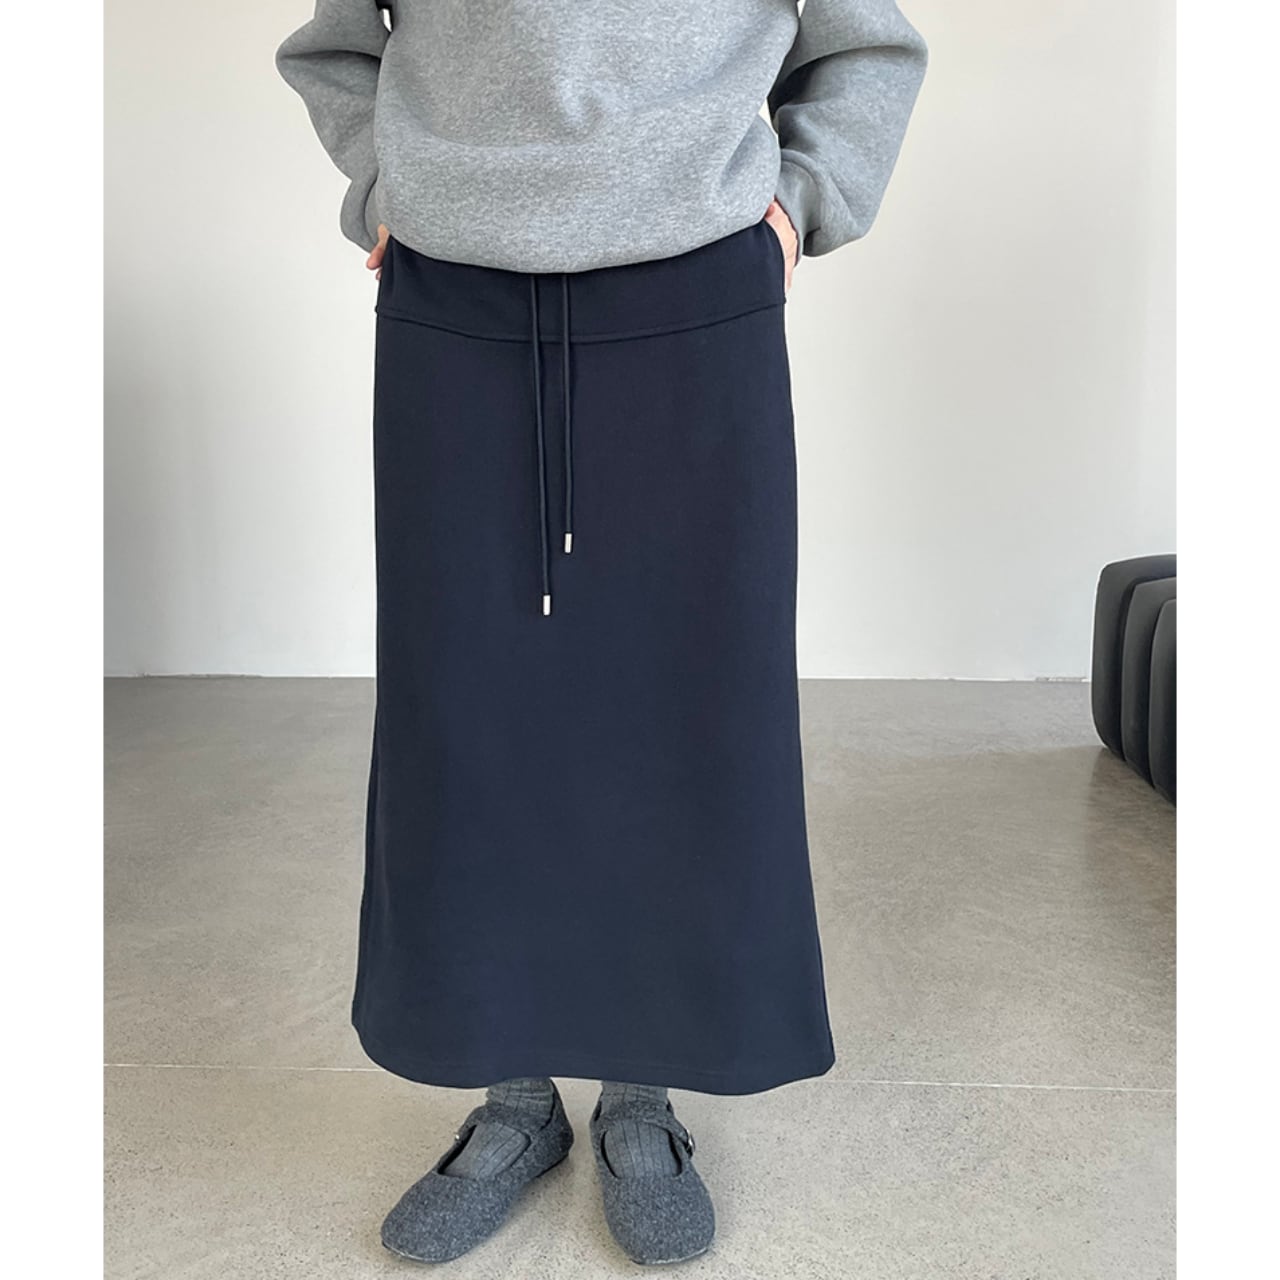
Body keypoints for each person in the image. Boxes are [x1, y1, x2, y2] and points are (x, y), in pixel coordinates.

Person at [275, 0, 927, 1265]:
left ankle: (642, 1094)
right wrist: (385, 186)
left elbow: (867, 41)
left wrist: (800, 204)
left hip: (694, 281)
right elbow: (334, 45)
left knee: (678, 704)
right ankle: (512, 1097)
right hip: (452, 291)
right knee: (468, 711)